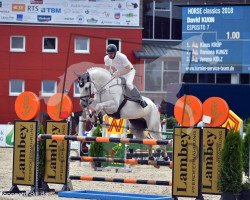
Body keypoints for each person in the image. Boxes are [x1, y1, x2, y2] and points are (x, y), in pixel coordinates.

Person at [104, 44, 147, 108]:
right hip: (120, 72)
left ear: (115, 52)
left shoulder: (122, 56)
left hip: (130, 71)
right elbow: (107, 69)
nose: (110, 55)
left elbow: (128, 69)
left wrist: (118, 74)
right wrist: (111, 74)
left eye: (111, 53)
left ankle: (140, 99)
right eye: (108, 53)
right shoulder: (106, 58)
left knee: (128, 84)